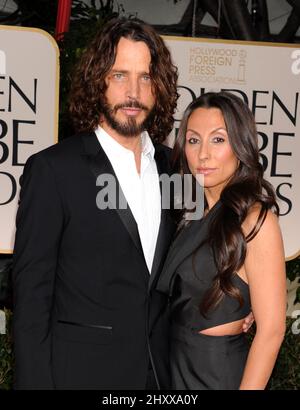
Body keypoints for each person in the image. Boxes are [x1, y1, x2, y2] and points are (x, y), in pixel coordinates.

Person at [12, 17, 179, 390]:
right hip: (81, 375)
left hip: (160, 379)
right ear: (97, 80)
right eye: (120, 75)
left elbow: (191, 262)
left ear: (160, 87)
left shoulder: (175, 169)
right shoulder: (55, 170)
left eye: (146, 77)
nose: (133, 92)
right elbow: (32, 298)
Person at [156, 91, 286, 390]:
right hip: (171, 367)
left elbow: (272, 331)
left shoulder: (255, 219)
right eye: (193, 140)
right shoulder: (186, 214)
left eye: (217, 139)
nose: (203, 154)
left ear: (240, 145)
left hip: (216, 373)